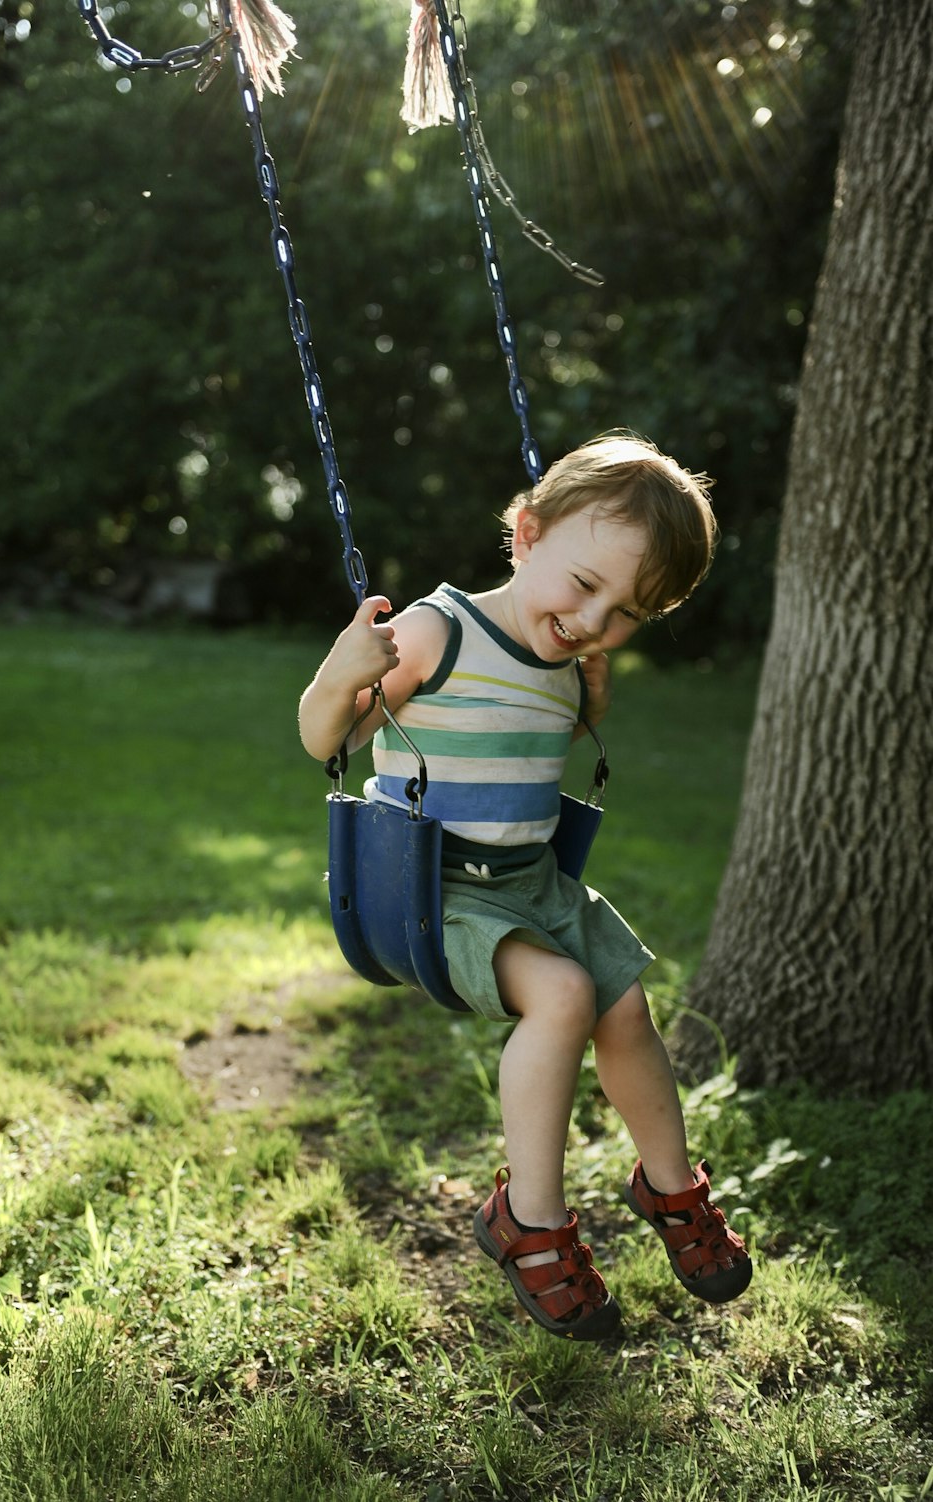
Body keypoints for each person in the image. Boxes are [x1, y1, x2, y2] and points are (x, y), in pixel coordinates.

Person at [298, 433, 752, 1340]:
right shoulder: (436, 630)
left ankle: (672, 1192)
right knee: (566, 994)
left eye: (626, 614)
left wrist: (590, 706)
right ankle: (530, 1221)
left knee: (624, 1007)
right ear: (527, 534)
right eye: (586, 587)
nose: (594, 622)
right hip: (435, 893)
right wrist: (341, 677)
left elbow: (522, 741)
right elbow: (327, 743)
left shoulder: (571, 664)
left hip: (532, 885)